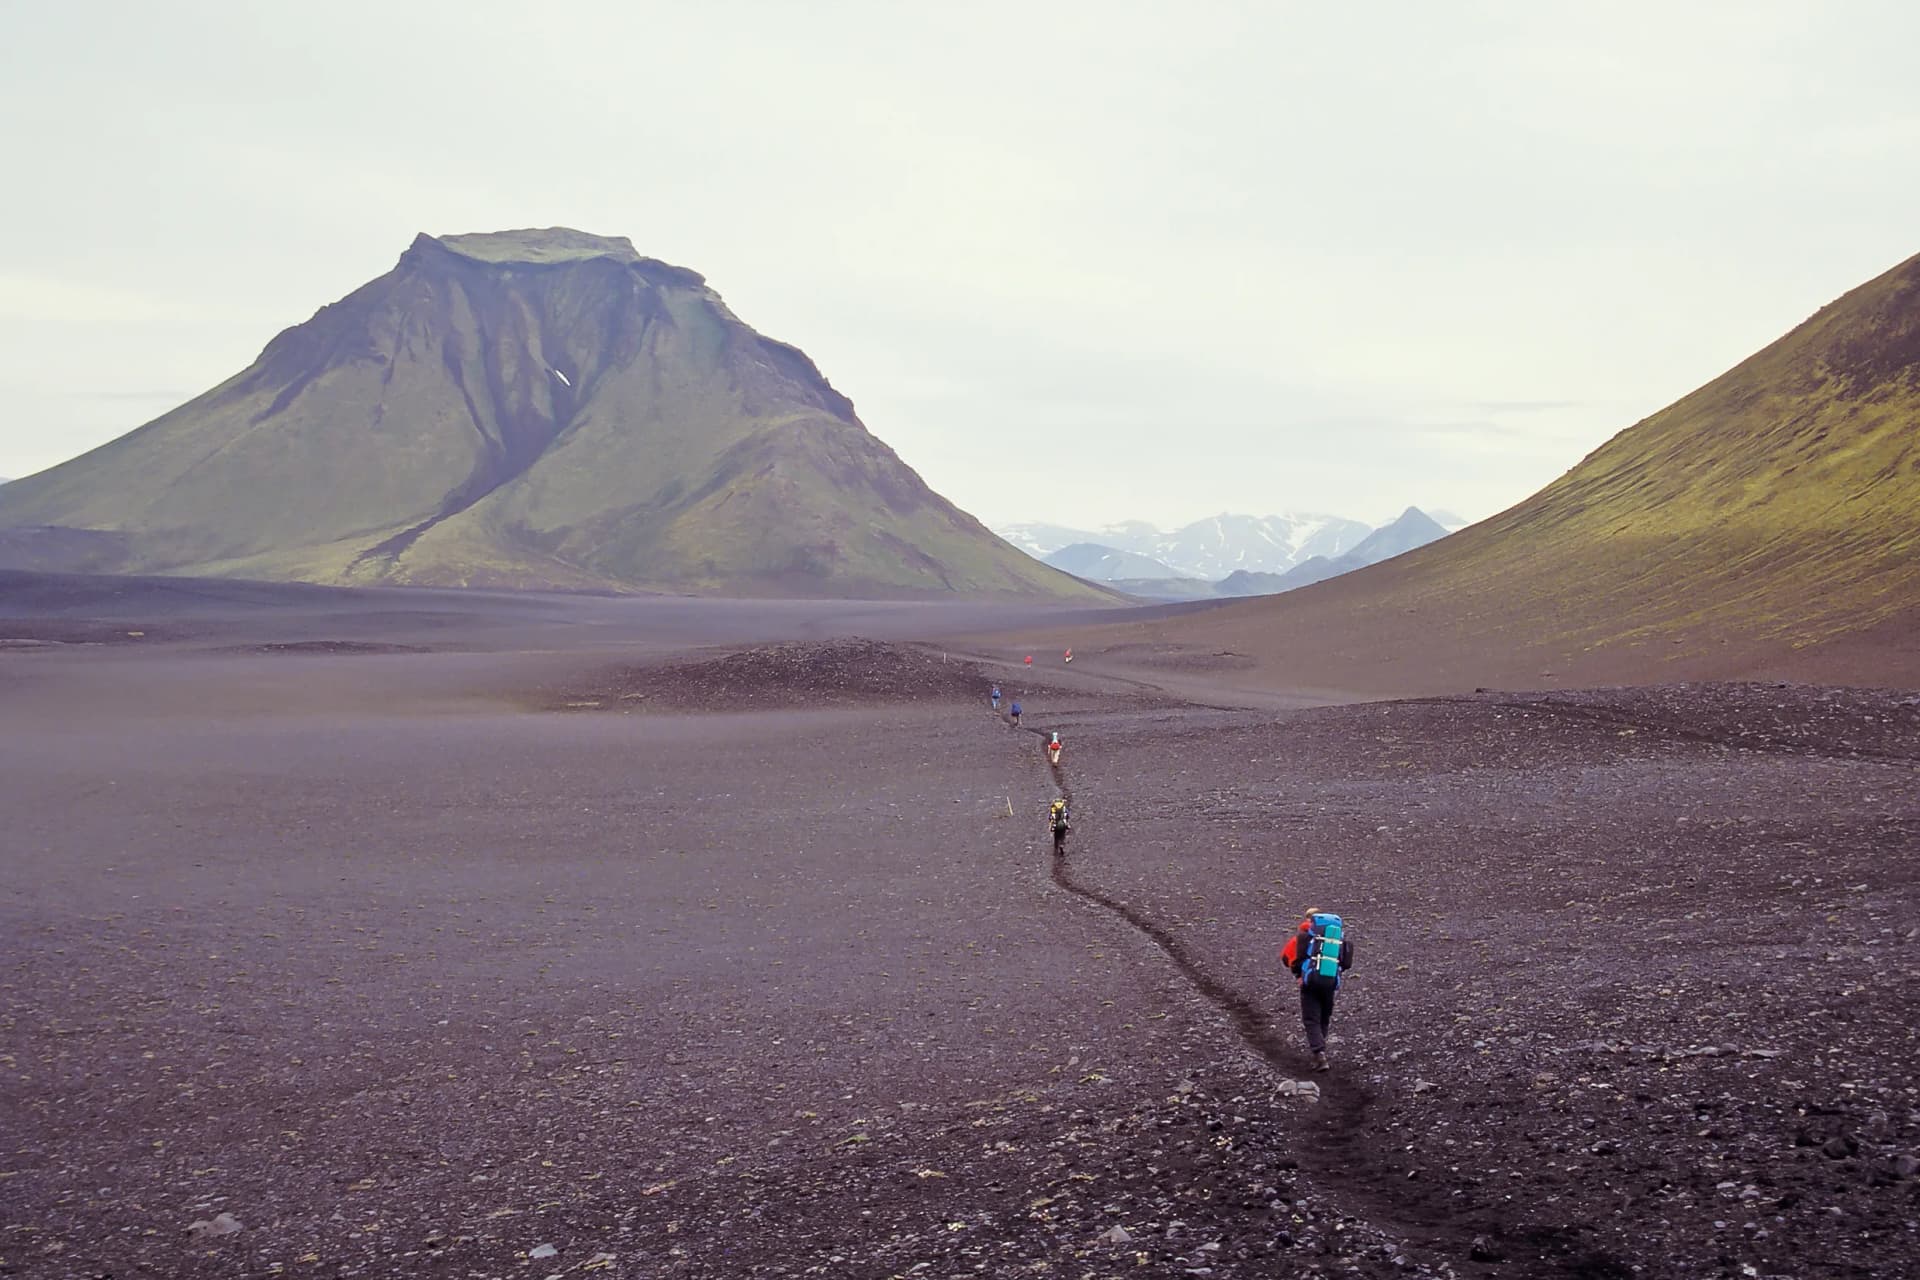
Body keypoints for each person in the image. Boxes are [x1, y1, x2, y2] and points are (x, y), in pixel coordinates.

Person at [1279, 907, 1354, 1071]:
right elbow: (1347, 963)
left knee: (1311, 1019)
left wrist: (1299, 974)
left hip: (1310, 982)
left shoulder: (1302, 936)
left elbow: (1287, 958)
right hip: (1330, 982)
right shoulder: (1336, 937)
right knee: (1324, 1017)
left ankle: (1319, 1055)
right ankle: (1320, 1051)